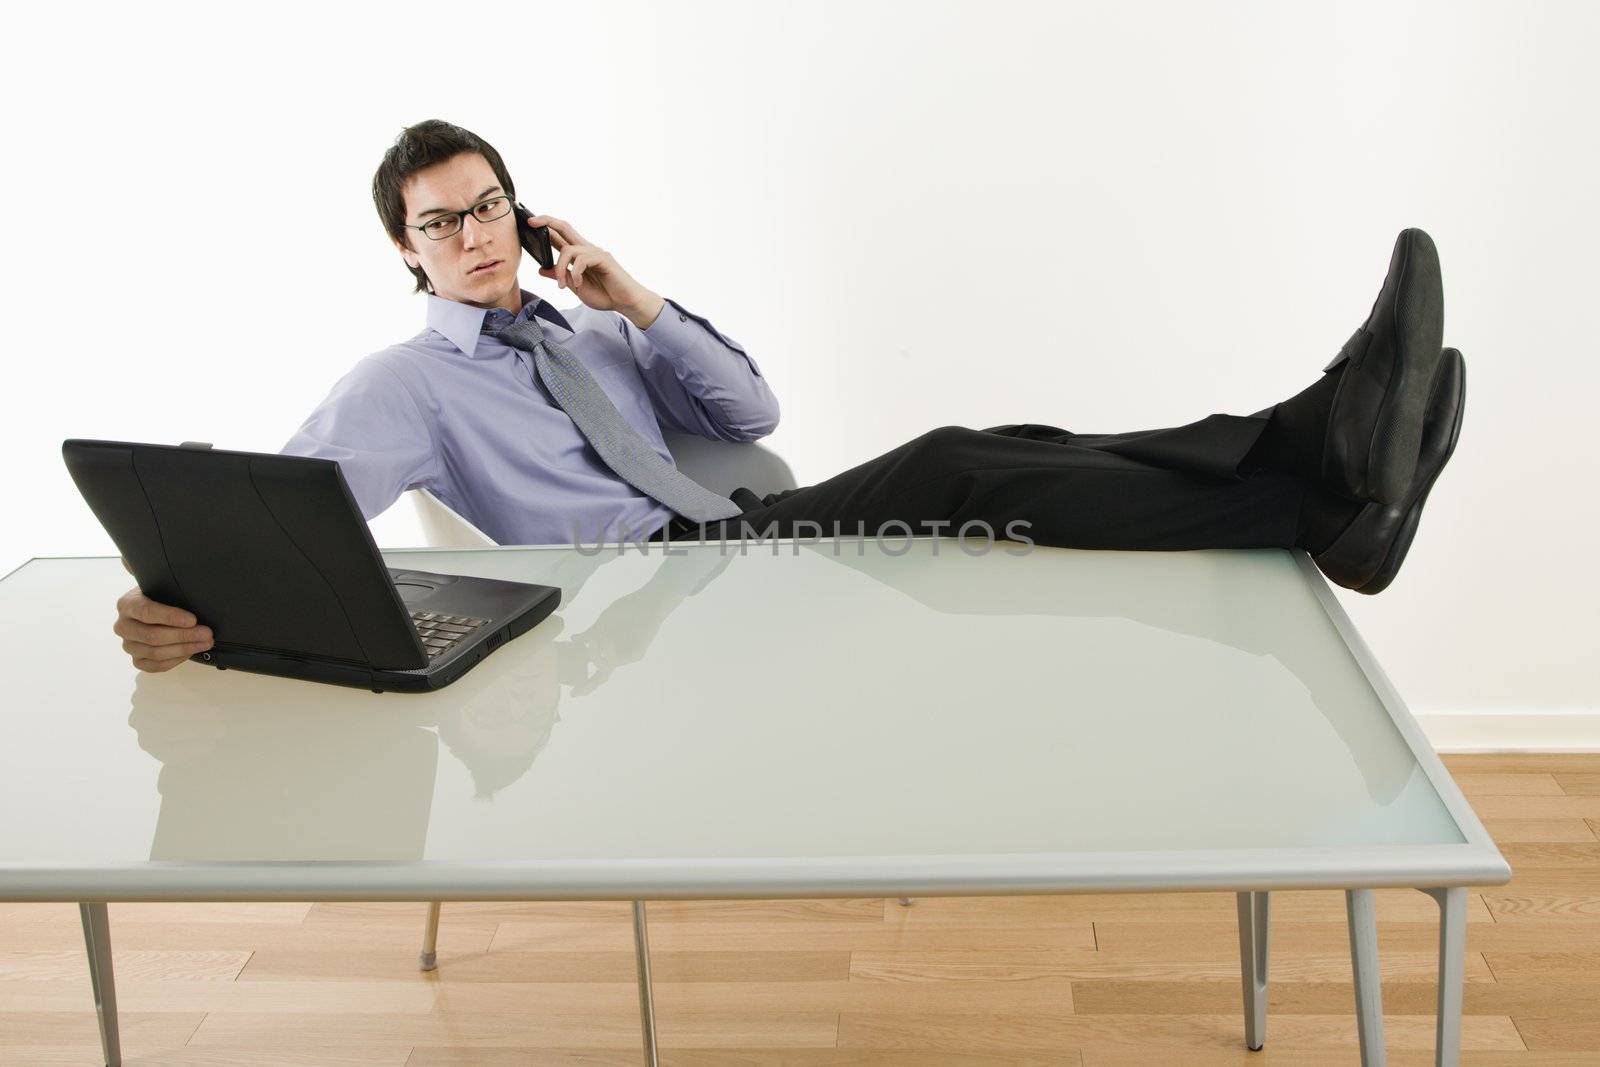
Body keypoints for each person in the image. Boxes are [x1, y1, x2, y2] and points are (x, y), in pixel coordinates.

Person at [111, 119, 1466, 673]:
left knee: (998, 450)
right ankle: (1317, 466)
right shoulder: (407, 384)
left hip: (733, 549)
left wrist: (631, 298)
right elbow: (284, 514)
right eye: (439, 221)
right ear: (402, 250)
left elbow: (749, 413)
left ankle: (1320, 486)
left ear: (519, 213)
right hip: (651, 605)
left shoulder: (582, 332)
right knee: (954, 462)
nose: (472, 233)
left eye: (489, 206)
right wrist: (182, 604)